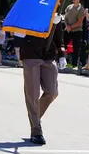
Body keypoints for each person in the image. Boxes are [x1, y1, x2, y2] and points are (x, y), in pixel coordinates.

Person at [20, 13, 65, 145]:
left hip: (49, 54)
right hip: (31, 53)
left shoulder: (55, 9)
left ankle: (34, 117)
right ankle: (36, 130)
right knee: (32, 93)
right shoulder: (32, 9)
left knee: (52, 91)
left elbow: (59, 37)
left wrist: (62, 54)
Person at [63, 0, 85, 69]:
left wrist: (71, 27)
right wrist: (67, 26)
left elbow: (80, 21)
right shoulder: (69, 7)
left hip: (77, 30)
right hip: (67, 30)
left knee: (76, 47)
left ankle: (74, 64)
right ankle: (60, 61)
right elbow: (65, 17)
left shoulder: (81, 9)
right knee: (63, 45)